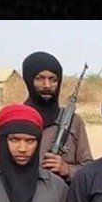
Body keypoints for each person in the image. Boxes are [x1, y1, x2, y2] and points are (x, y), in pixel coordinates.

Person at [21, 51, 94, 182]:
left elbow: (89, 167)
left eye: (53, 79)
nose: (47, 85)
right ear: (28, 79)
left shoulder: (74, 121)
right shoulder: (15, 118)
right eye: (40, 78)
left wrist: (67, 170)